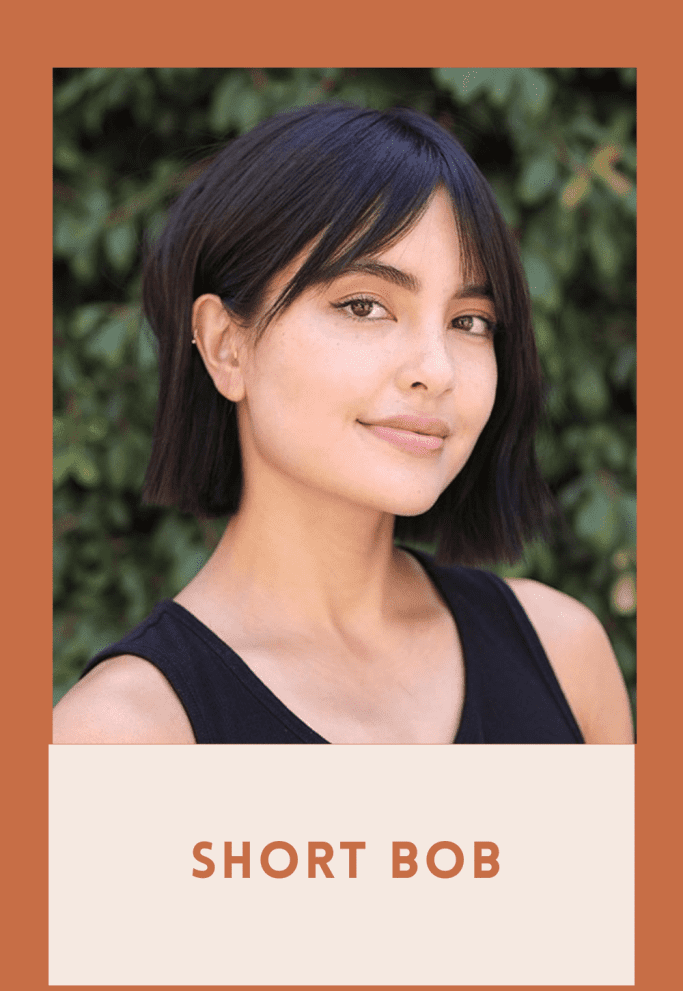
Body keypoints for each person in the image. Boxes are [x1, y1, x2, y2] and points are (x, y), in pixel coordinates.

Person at [53, 104, 633, 745]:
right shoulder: (123, 734)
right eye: (365, 306)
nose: (436, 371)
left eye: (470, 321)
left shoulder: (563, 655)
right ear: (226, 346)